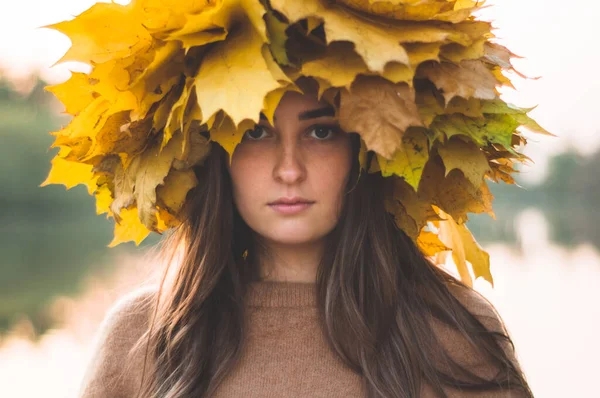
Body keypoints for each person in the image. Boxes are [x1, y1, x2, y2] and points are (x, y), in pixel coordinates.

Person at [76, 78, 532, 397]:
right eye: (255, 132)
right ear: (215, 155)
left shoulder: (456, 333)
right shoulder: (142, 335)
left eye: (321, 131)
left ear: (366, 149)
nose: (289, 169)